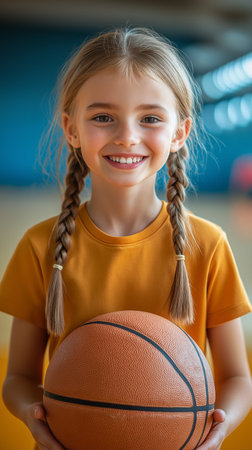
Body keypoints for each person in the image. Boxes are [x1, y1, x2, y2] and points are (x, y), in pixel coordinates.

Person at [0, 27, 251, 450]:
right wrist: (33, 415)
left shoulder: (206, 245)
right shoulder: (39, 246)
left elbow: (238, 378)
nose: (127, 136)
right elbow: (19, 379)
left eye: (150, 118)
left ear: (179, 133)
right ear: (71, 128)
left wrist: (218, 430)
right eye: (102, 117)